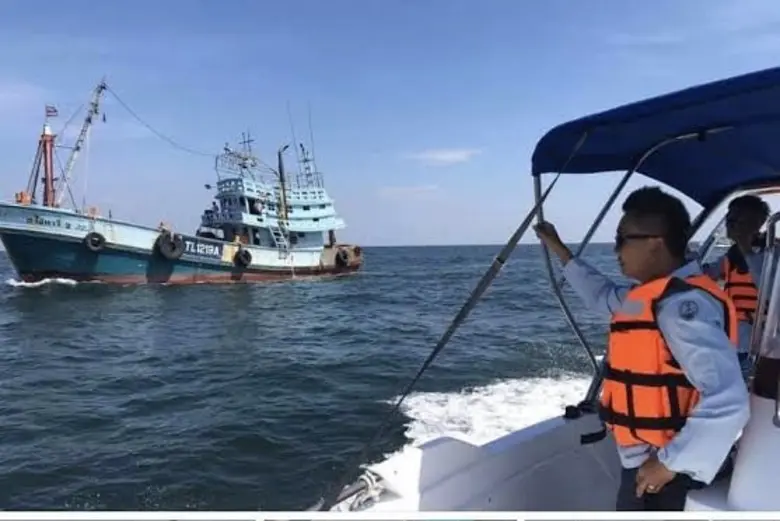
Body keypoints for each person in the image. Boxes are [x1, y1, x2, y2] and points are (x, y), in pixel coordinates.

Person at [534, 186, 750, 511]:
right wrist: (560, 250)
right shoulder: (652, 298)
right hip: (650, 465)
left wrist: (669, 464)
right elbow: (601, 296)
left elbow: (730, 399)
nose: (615, 250)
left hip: (669, 474)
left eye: (622, 239)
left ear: (655, 242)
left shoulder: (683, 307)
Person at [701, 195, 770, 376]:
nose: (729, 225)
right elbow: (706, 276)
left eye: (734, 220)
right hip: (731, 341)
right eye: (728, 219)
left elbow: (766, 285)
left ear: (754, 223)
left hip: (756, 347)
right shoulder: (732, 256)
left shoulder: (770, 255)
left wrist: (745, 246)